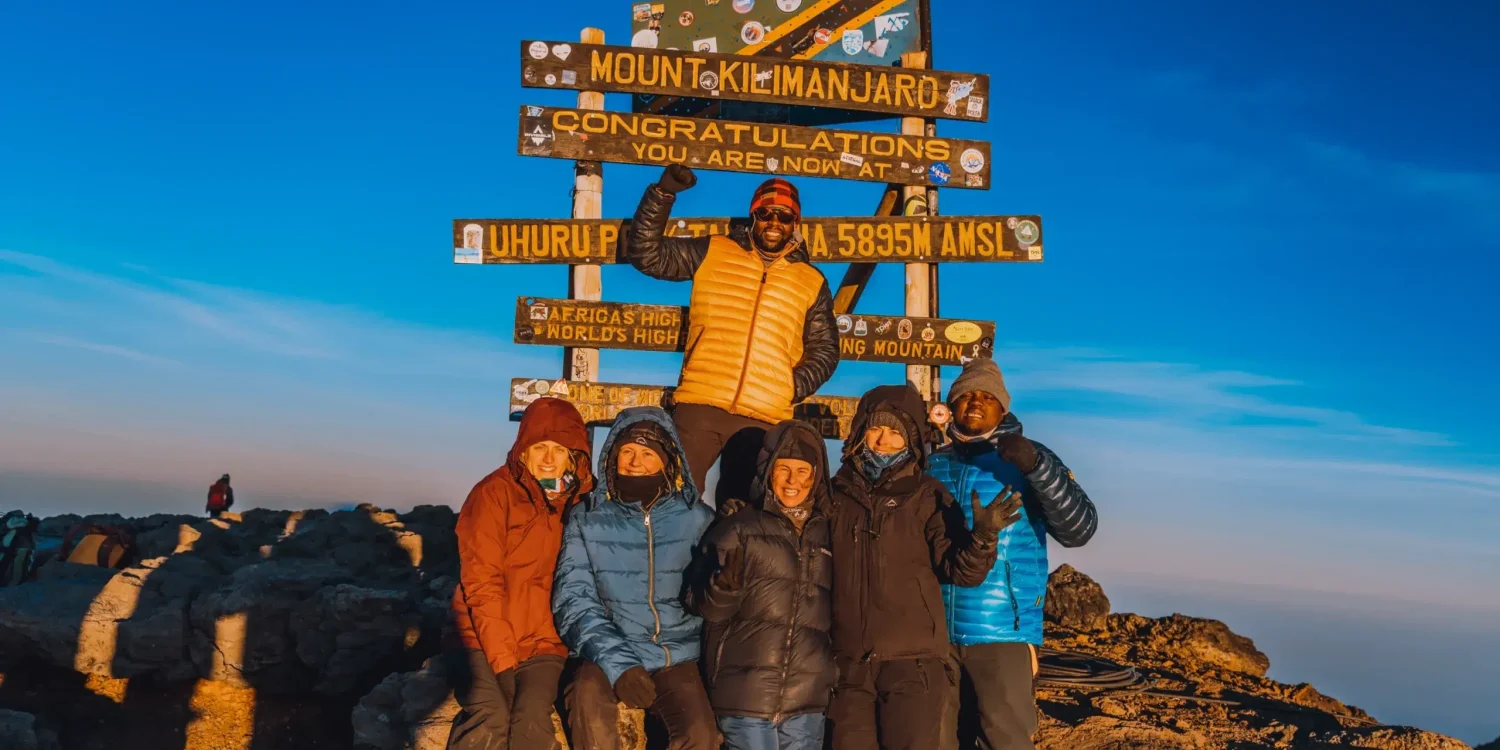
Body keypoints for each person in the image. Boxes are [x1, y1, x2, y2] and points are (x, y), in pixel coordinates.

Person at [626, 164, 839, 504]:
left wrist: (788, 386)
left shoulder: (811, 281)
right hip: (699, 405)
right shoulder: (715, 251)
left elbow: (825, 352)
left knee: (741, 517)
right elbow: (647, 255)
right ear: (753, 216)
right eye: (765, 213)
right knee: (671, 502)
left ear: (795, 224)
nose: (774, 223)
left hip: (763, 419)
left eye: (784, 217)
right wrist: (663, 193)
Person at [826, 384, 1020, 750]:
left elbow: (961, 571)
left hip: (913, 666)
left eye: (896, 432)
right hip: (847, 667)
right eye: (875, 429)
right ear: (859, 433)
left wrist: (982, 537)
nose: (883, 440)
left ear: (911, 440)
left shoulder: (927, 495)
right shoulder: (835, 496)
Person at [929, 359, 1098, 750]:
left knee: (1005, 741)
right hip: (935, 633)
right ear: (951, 405)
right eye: (966, 395)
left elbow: (1079, 530)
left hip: (1003, 629)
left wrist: (1037, 468)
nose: (975, 402)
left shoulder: (1027, 459)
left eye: (987, 397)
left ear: (1002, 409)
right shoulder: (932, 464)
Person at [553, 407, 718, 750]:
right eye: (626, 451)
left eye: (647, 453)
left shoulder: (698, 518)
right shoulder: (588, 518)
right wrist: (620, 665)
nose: (635, 461)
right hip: (607, 652)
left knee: (700, 735)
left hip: (677, 654)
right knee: (585, 699)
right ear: (612, 457)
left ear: (667, 460)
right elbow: (573, 598)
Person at [447, 397, 594, 750]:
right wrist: (502, 664)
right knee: (491, 715)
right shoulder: (493, 494)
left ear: (574, 456)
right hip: (480, 638)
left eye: (559, 450)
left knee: (531, 721)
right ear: (522, 451)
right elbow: (481, 584)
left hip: (546, 642)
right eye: (539, 447)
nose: (548, 458)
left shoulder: (584, 503)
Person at [685, 420, 834, 750]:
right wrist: (722, 589)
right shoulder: (737, 527)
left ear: (816, 476)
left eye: (803, 471)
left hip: (806, 699)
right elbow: (701, 604)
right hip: (745, 696)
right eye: (783, 469)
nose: (792, 481)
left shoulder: (827, 535)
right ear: (768, 471)